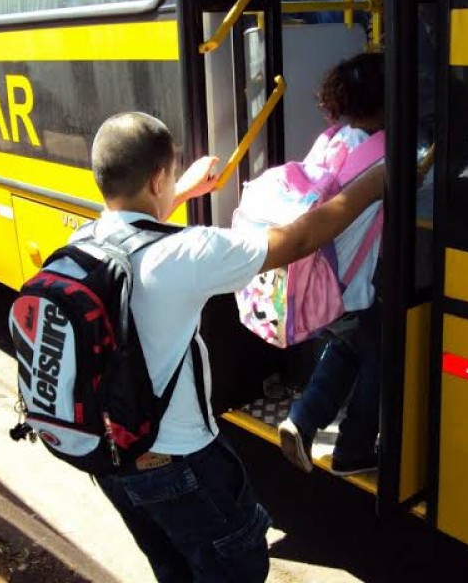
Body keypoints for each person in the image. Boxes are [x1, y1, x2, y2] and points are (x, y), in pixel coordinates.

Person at [85, 111, 384, 581]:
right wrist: (377, 179)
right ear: (157, 176)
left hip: (107, 458)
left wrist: (181, 190)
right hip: (177, 461)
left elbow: (135, 220)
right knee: (239, 566)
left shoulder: (84, 240)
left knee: (174, 567)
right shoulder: (187, 252)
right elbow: (302, 237)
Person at [278, 52, 386, 477]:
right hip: (355, 288)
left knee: (345, 350)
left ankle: (302, 421)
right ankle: (354, 448)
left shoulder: (332, 141)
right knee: (381, 360)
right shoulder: (383, 158)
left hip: (324, 286)